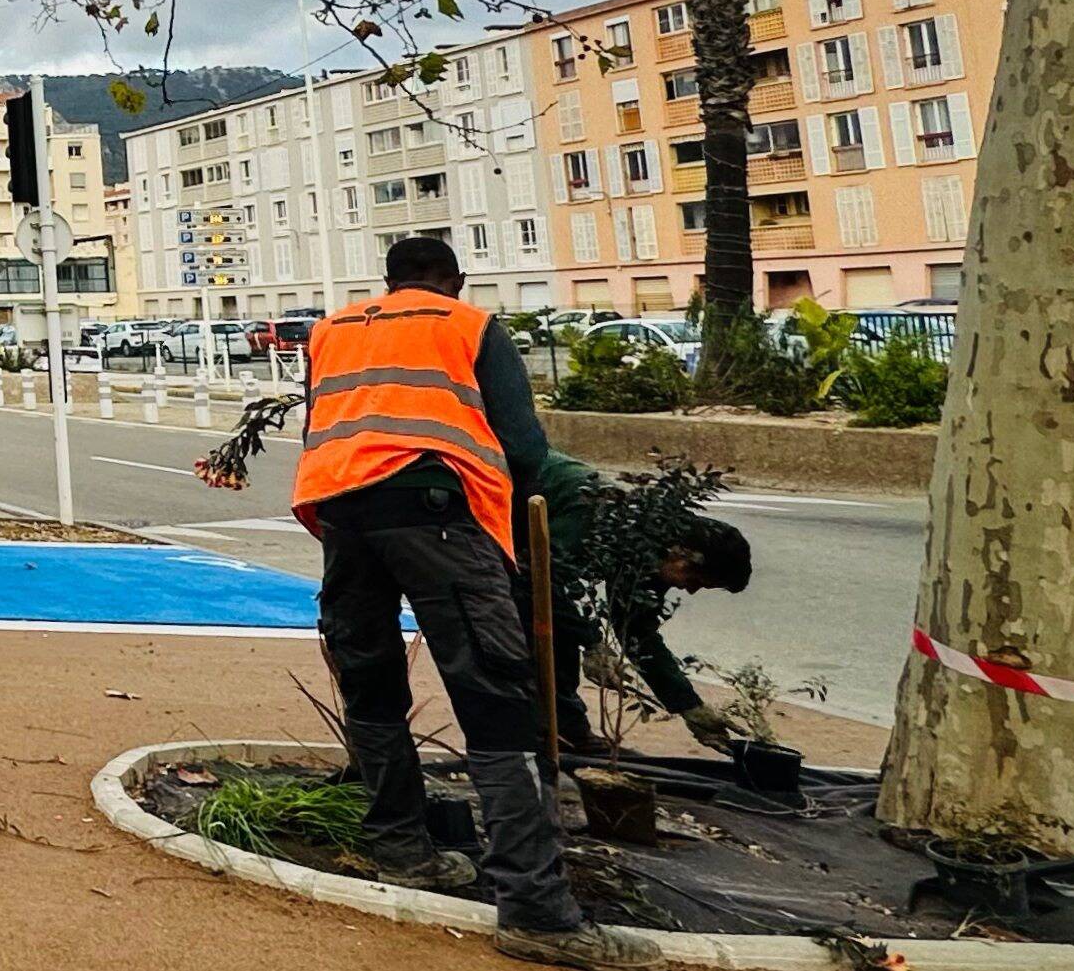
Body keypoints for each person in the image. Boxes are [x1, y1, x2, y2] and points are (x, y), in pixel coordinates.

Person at [294, 236, 616, 967]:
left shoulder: (332, 327)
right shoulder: (469, 324)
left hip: (341, 513)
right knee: (495, 695)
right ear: (454, 281)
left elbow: (325, 425)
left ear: (386, 280)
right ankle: (535, 908)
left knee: (372, 684)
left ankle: (401, 850)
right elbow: (524, 445)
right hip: (437, 510)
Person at [539, 448, 755, 753]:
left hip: (531, 549)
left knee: (561, 629)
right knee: (546, 635)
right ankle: (553, 739)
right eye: (694, 581)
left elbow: (637, 630)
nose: (690, 591)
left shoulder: (652, 556)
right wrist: (591, 642)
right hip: (497, 501)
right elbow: (539, 577)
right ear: (682, 553)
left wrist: (689, 707)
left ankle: (564, 735)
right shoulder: (600, 517)